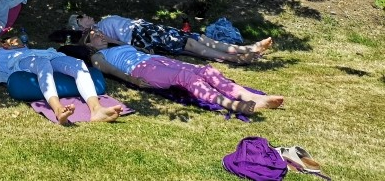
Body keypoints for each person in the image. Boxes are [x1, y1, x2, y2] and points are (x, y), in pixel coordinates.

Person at [86, 30, 284, 116]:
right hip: (141, 70)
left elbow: (124, 45)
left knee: (206, 70)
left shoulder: (114, 47)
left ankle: (252, 97)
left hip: (152, 61)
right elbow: (110, 71)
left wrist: (108, 38)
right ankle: (232, 104)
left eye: (101, 33)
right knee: (186, 78)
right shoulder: (97, 57)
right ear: (87, 43)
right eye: (95, 36)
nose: (101, 36)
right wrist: (133, 81)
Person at [0, 37, 121, 125]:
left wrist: (12, 44)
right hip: (24, 62)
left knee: (79, 64)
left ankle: (97, 109)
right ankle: (58, 109)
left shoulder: (20, 46)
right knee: (42, 65)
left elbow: (18, 42)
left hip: (49, 55)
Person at [68, 14, 272, 64]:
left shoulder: (101, 22)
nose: (86, 16)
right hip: (142, 35)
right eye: (82, 17)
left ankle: (245, 49)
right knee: (190, 44)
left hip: (146, 28)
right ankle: (237, 57)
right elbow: (115, 43)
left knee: (194, 37)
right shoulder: (94, 32)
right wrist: (139, 49)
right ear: (80, 25)